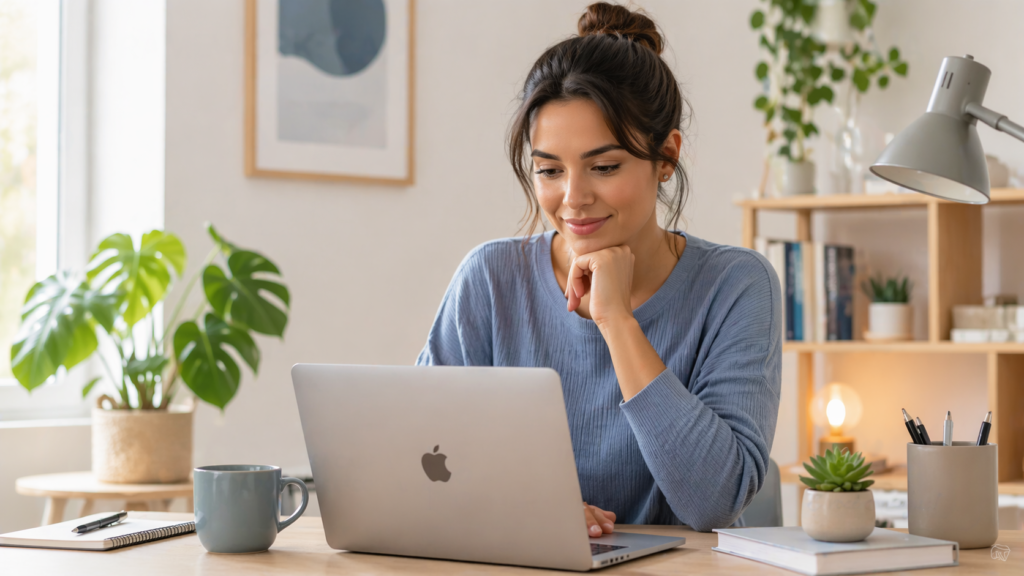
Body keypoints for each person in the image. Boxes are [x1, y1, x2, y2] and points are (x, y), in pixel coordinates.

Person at [417, 2, 781, 534]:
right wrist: (526, 508)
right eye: (548, 170)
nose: (573, 199)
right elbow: (421, 460)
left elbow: (714, 503)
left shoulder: (736, 287)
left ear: (666, 158)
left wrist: (617, 323)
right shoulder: (489, 279)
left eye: (604, 167)